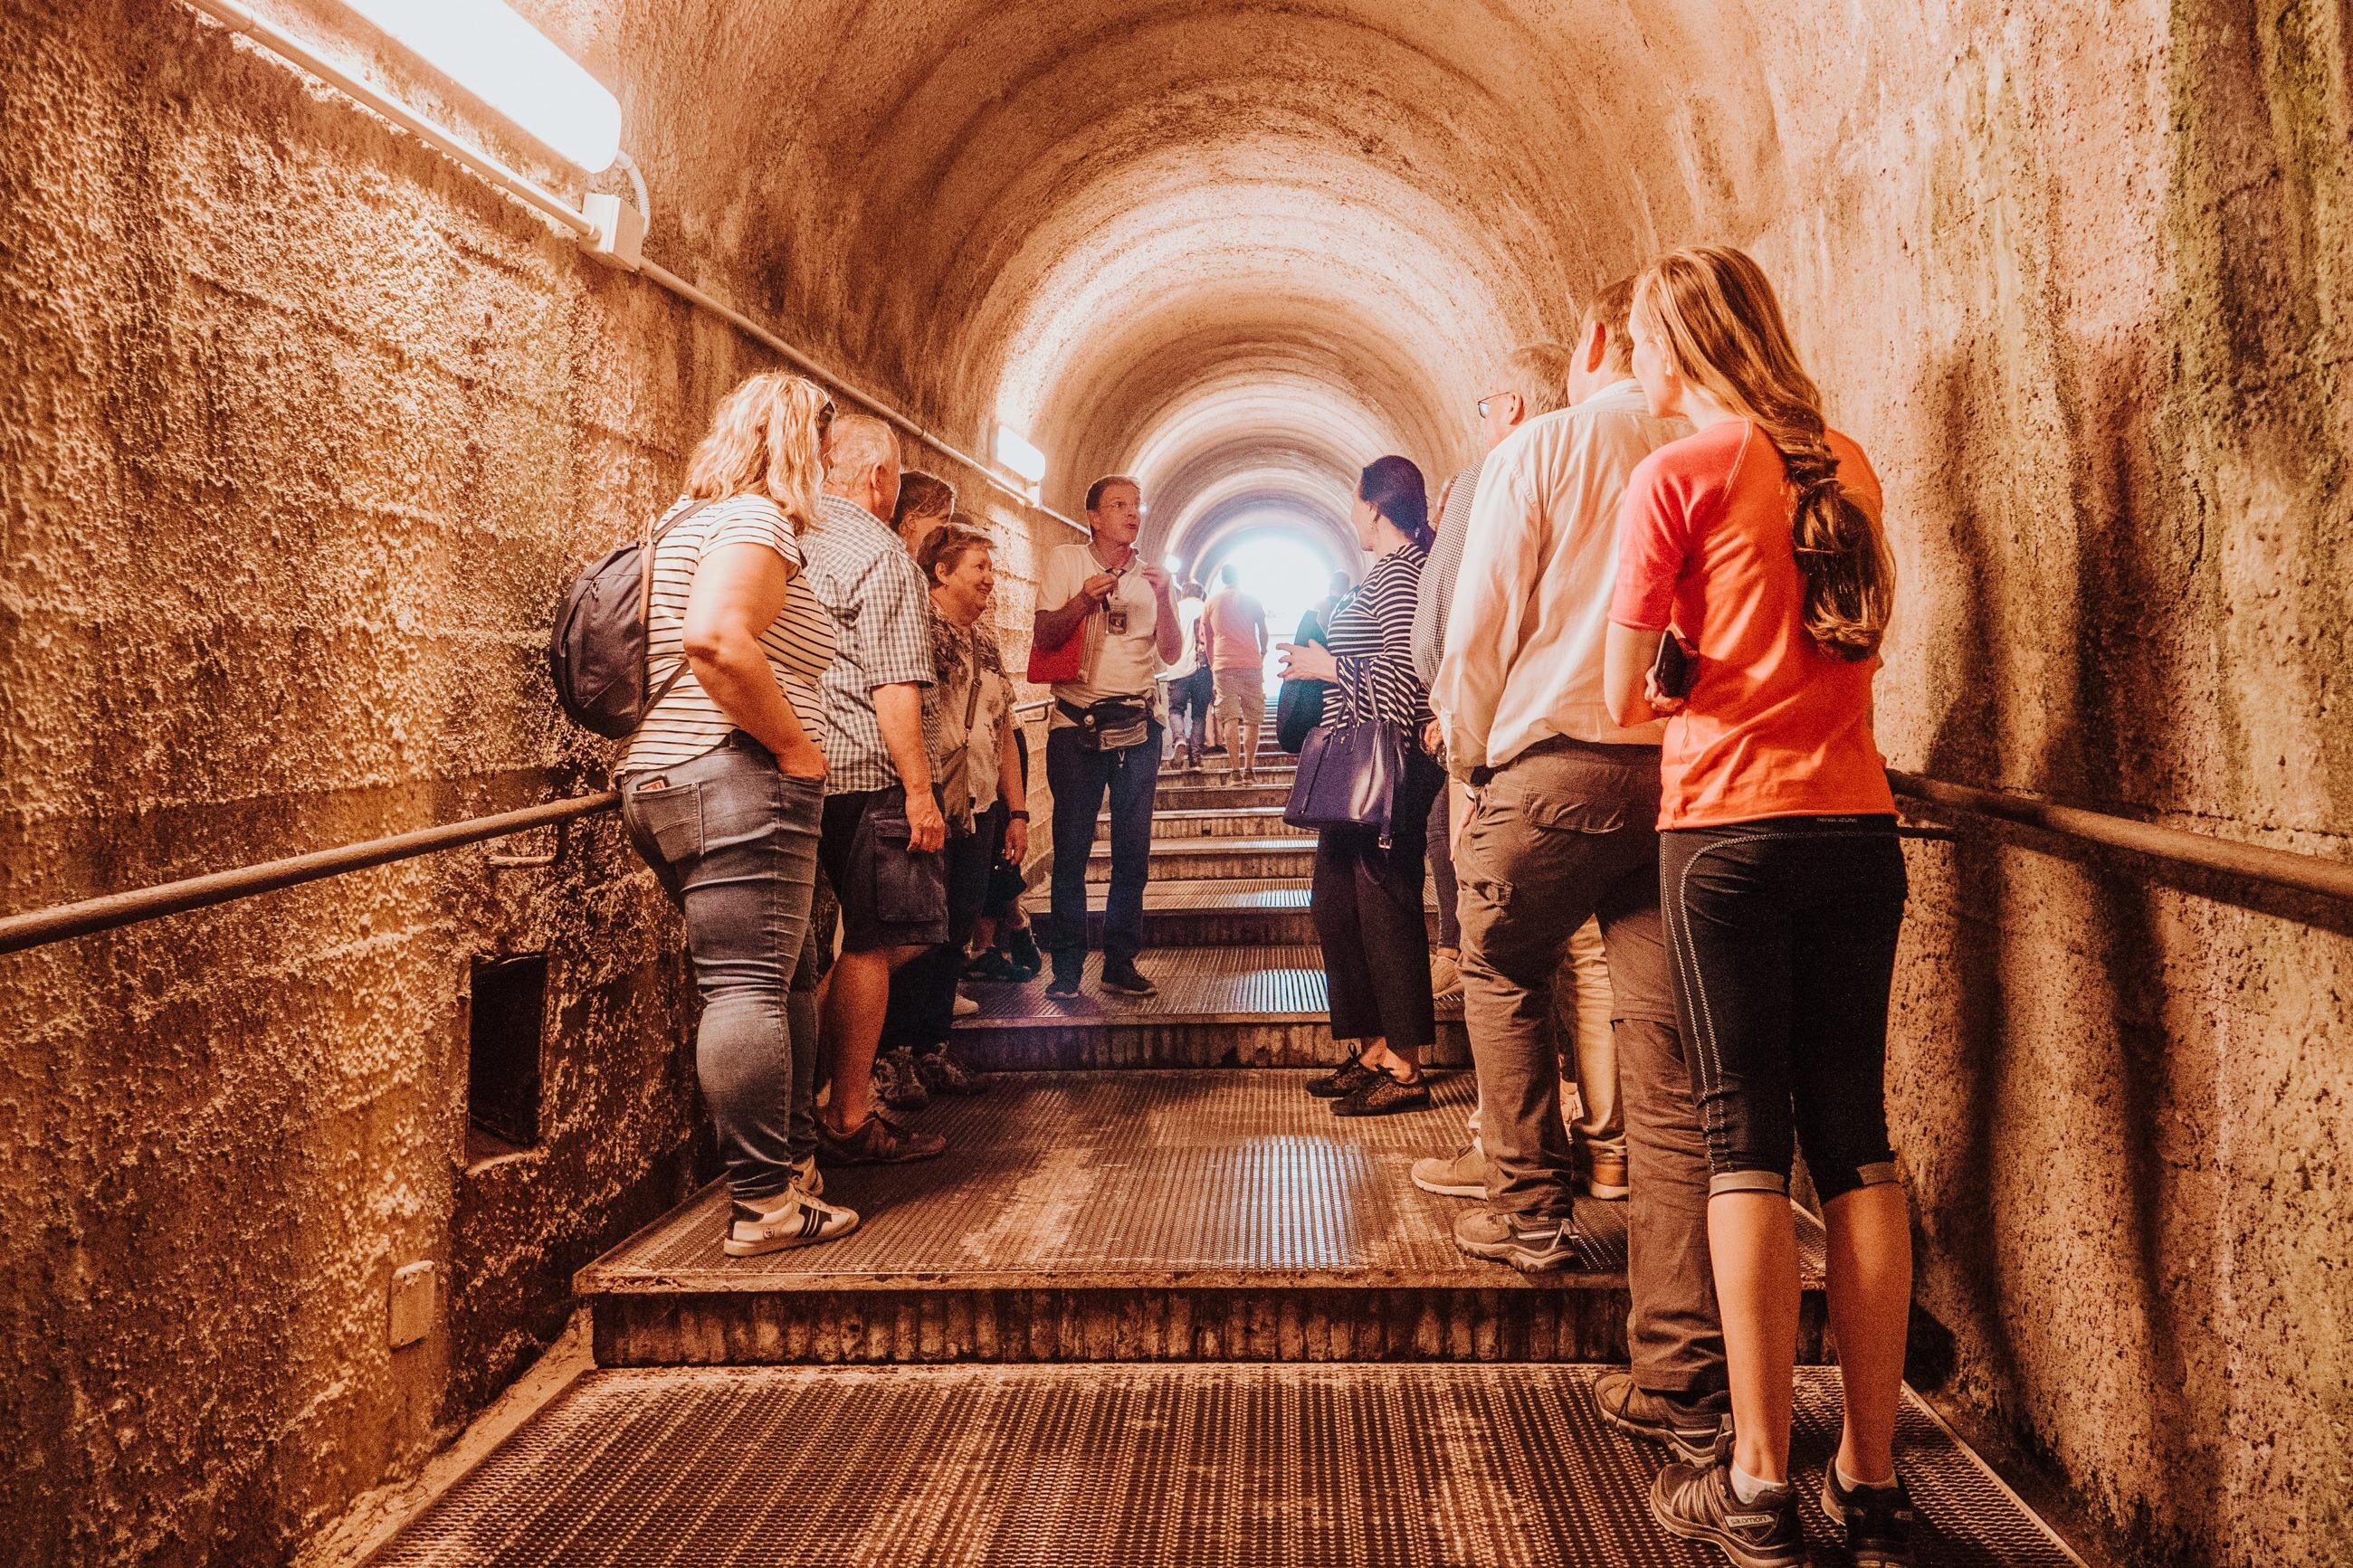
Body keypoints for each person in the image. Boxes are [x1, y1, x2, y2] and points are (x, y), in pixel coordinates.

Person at [1604, 245, 1911, 1568]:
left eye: (1641, 339)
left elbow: (1620, 691)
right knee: (1856, 1137)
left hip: (1726, 833)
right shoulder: (1847, 463)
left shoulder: (1674, 474)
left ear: (1678, 346)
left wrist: (1683, 670)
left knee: (1743, 1136)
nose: (1636, 360)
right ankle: (1872, 1473)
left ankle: (1757, 1474)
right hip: (1858, 828)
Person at [1432, 277, 1729, 1472]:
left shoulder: (1543, 448)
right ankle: (1679, 1367)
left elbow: (1481, 627)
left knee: (1501, 962)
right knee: (1667, 1071)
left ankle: (1529, 1215)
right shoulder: (1705, 448)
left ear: (1594, 338)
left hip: (1552, 767)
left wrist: (1465, 759)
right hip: (1679, 782)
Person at [614, 370, 858, 1256]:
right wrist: (796, 748)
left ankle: (791, 1168)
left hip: (665, 777)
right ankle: (763, 1204)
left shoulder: (682, 523)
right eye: (824, 452)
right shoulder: (755, 521)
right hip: (733, 774)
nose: (827, 470)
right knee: (749, 984)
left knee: (785, 972)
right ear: (799, 444)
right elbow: (716, 638)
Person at [800, 413, 950, 1165]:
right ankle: (846, 1115)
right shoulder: (881, 554)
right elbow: (894, 684)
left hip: (801, 766)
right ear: (878, 477)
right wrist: (919, 791)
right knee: (884, 936)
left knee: (852, 942)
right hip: (867, 770)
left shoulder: (792, 535)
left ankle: (804, 1095)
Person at [1413, 344, 1579, 1012]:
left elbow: (1447, 616)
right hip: (1606, 730)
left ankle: (1456, 960)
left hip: (1505, 734)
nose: (1484, 419)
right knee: (1591, 953)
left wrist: (1449, 714)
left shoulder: (1487, 476)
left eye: (1486, 406)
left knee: (1500, 942)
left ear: (1512, 405)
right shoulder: (1600, 459)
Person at [1280, 457, 1443, 1117]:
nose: (1352, 510)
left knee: (1385, 905)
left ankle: (1405, 1065)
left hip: (1389, 768)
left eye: (1355, 498)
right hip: (1354, 767)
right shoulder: (1384, 573)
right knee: (1337, 902)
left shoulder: (1404, 575)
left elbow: (1408, 683)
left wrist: (1329, 667)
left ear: (1375, 505)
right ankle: (1372, 1047)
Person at [877, 524, 1023, 1105]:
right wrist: (918, 793)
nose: (990, 579)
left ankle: (933, 1047)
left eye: (991, 568)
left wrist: (1017, 810)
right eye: (979, 567)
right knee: (918, 931)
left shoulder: (983, 641)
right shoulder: (920, 632)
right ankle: (894, 1054)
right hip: (932, 801)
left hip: (978, 802)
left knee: (957, 924)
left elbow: (1003, 728)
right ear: (942, 572)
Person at [1036, 475, 1182, 998]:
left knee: (1131, 850)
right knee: (1071, 847)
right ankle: (1066, 969)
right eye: (1118, 505)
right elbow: (1044, 635)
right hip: (1077, 724)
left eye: (1135, 505)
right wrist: (1082, 600)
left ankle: (1120, 961)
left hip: (1138, 726)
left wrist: (1165, 599)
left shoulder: (1151, 577)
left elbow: (1171, 652)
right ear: (1094, 518)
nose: (1131, 513)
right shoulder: (1067, 561)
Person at [1201, 565, 1270, 781]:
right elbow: (1263, 631)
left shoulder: (1211, 602)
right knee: (1252, 718)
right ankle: (1249, 769)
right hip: (1251, 664)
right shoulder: (1253, 600)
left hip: (1224, 665)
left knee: (1229, 717)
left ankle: (1235, 771)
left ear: (1222, 579)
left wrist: (1213, 664)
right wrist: (1262, 653)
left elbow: (1207, 638)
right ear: (1238, 577)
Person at [1163, 578, 1212, 770]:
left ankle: (1179, 739)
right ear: (1201, 594)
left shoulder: (1174, 608)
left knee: (1176, 710)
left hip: (1176, 667)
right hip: (1202, 668)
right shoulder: (1206, 608)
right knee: (1199, 715)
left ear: (1183, 593)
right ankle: (1195, 760)